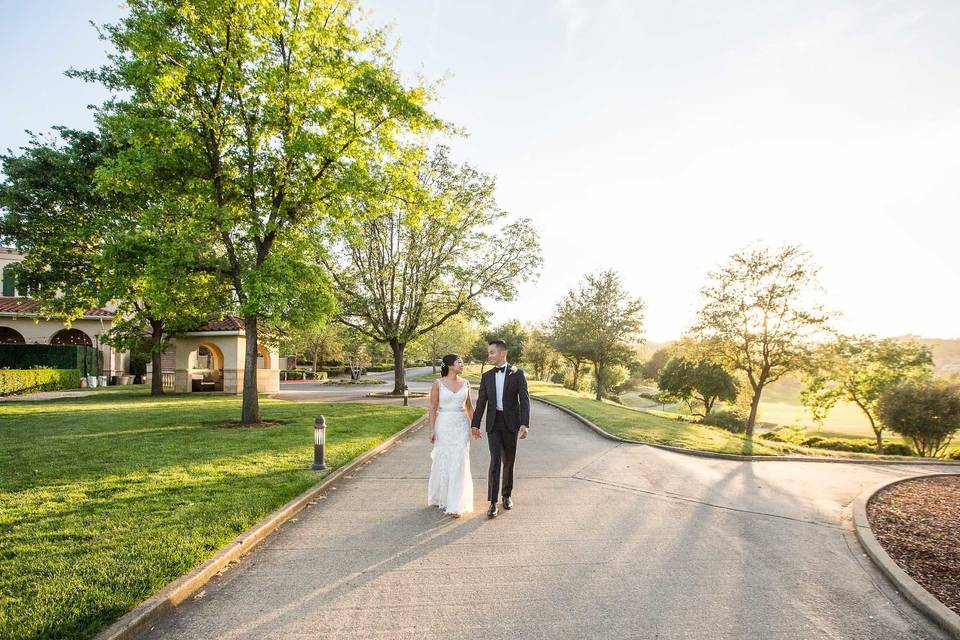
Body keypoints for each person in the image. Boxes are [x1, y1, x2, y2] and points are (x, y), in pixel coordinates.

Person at [470, 339, 530, 518]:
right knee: (495, 461)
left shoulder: (518, 374)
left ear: (503, 353)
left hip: (511, 424)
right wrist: (475, 423)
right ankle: (493, 503)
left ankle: (506, 495)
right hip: (493, 424)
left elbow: (524, 400)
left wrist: (524, 424)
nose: (489, 355)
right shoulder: (486, 376)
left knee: (509, 461)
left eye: (492, 352)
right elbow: (481, 402)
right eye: (489, 352)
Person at [427, 354, 478, 517]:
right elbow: (433, 407)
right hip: (444, 424)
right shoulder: (438, 384)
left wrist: (474, 426)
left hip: (461, 425)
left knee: (459, 460)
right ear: (449, 365)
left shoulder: (466, 383)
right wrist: (432, 429)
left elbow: (469, 407)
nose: (462, 365)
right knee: (444, 459)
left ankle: (456, 503)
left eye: (462, 362)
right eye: (459, 362)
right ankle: (443, 496)